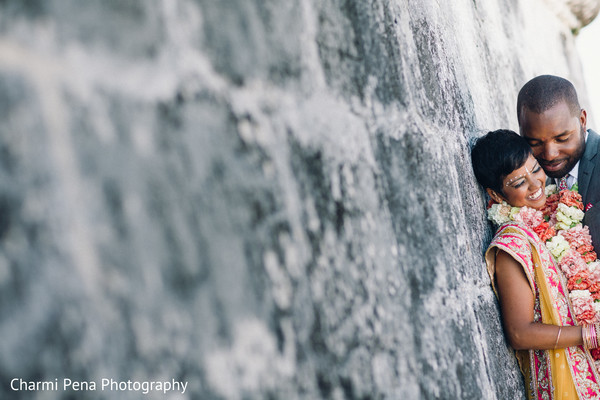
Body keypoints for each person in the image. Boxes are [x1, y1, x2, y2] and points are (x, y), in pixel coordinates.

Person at [471, 129, 600, 399]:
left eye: (535, 169)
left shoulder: (555, 210)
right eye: (518, 181)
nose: (535, 184)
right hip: (565, 380)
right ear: (495, 194)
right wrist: (591, 334)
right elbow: (519, 333)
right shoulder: (512, 244)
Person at [517, 75, 600, 251]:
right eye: (534, 143)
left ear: (582, 121)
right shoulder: (532, 182)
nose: (550, 155)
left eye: (562, 138)